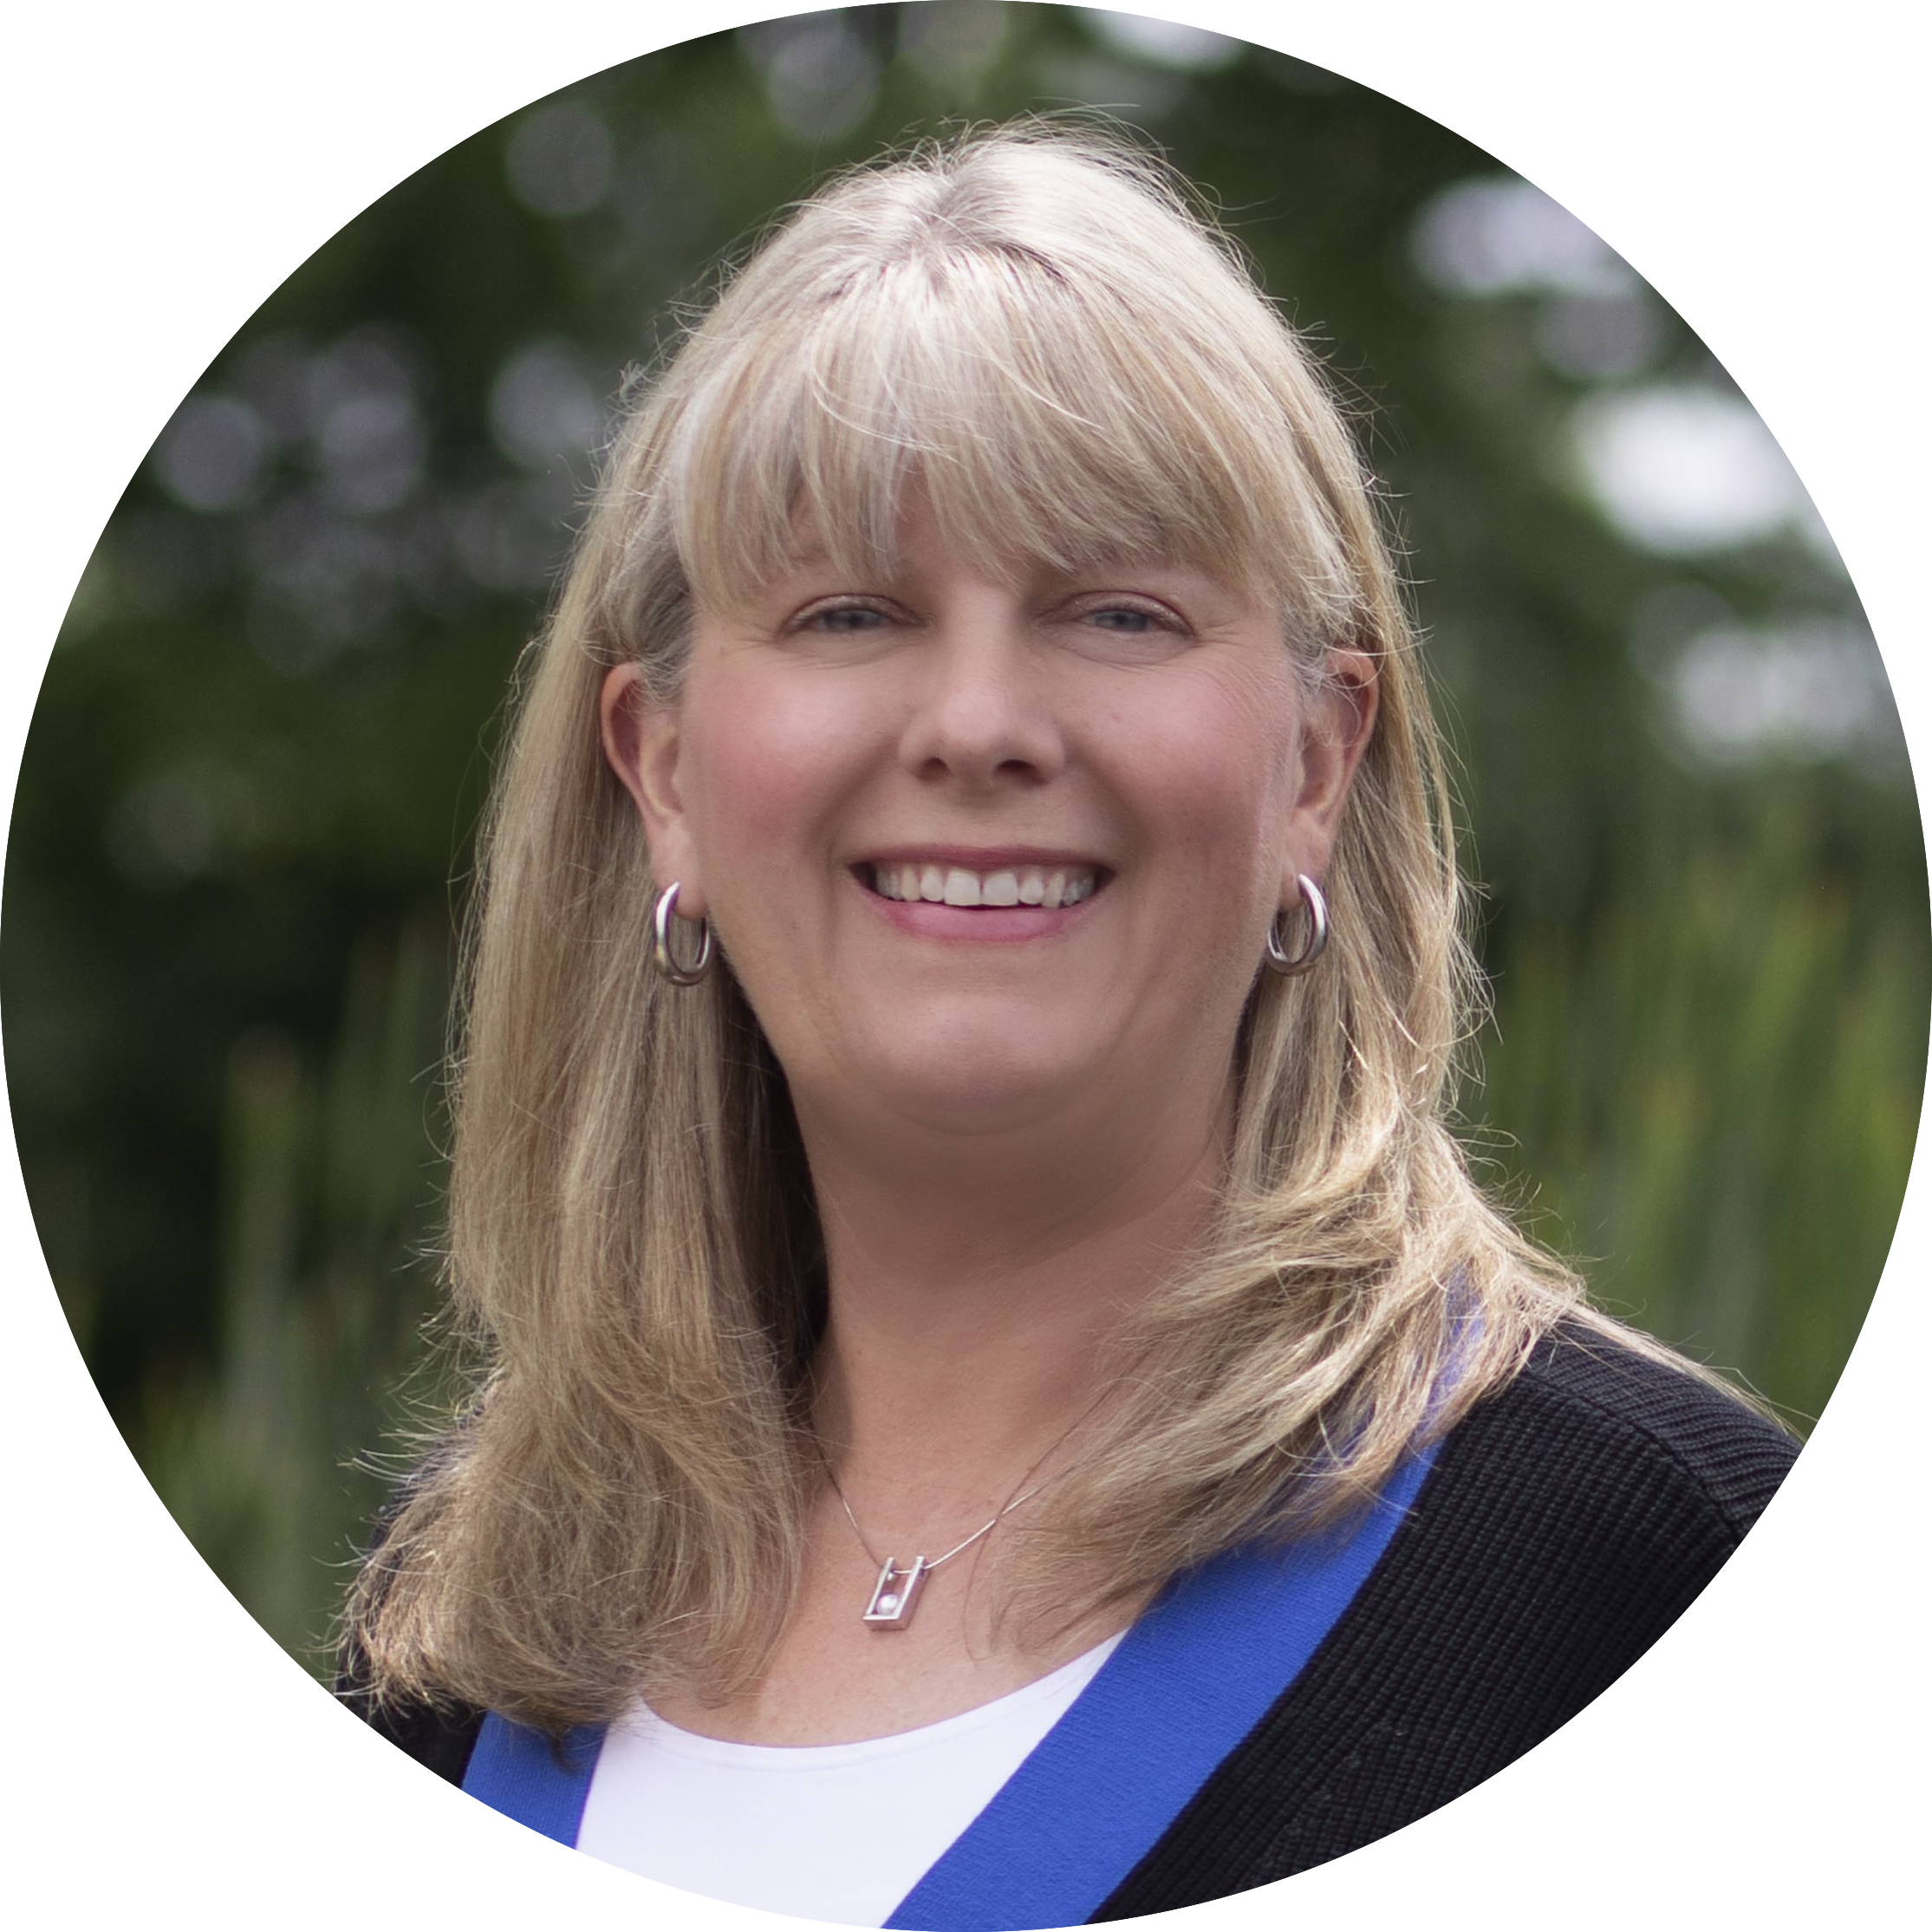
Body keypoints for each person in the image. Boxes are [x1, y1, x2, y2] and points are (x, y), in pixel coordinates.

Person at [334, 118, 1803, 1929]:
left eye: (1116, 609)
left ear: (1316, 762)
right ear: (661, 776)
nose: (977, 722)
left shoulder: (1690, 1593)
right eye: (851, 609)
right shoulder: (459, 1625)